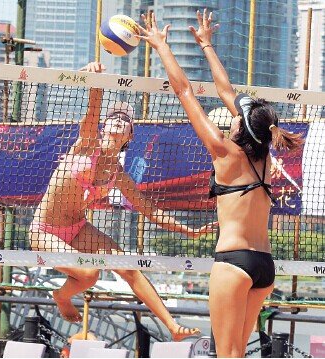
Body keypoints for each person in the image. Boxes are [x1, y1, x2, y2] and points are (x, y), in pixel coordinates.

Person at [137, 10, 303, 357]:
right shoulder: (264, 155)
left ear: (240, 125)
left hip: (234, 263)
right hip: (263, 266)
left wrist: (161, 46)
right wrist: (207, 45)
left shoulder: (225, 152)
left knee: (227, 356)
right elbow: (227, 92)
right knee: (236, 354)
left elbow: (184, 92)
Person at [30, 62, 217, 341]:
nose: (119, 119)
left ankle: (172, 327)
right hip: (43, 230)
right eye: (114, 117)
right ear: (105, 127)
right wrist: (97, 82)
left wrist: (188, 230)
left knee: (128, 267)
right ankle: (61, 296)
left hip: (77, 228)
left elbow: (150, 211)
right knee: (89, 273)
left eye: (125, 120)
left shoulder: (118, 174)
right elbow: (92, 114)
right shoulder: (87, 144)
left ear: (129, 136)